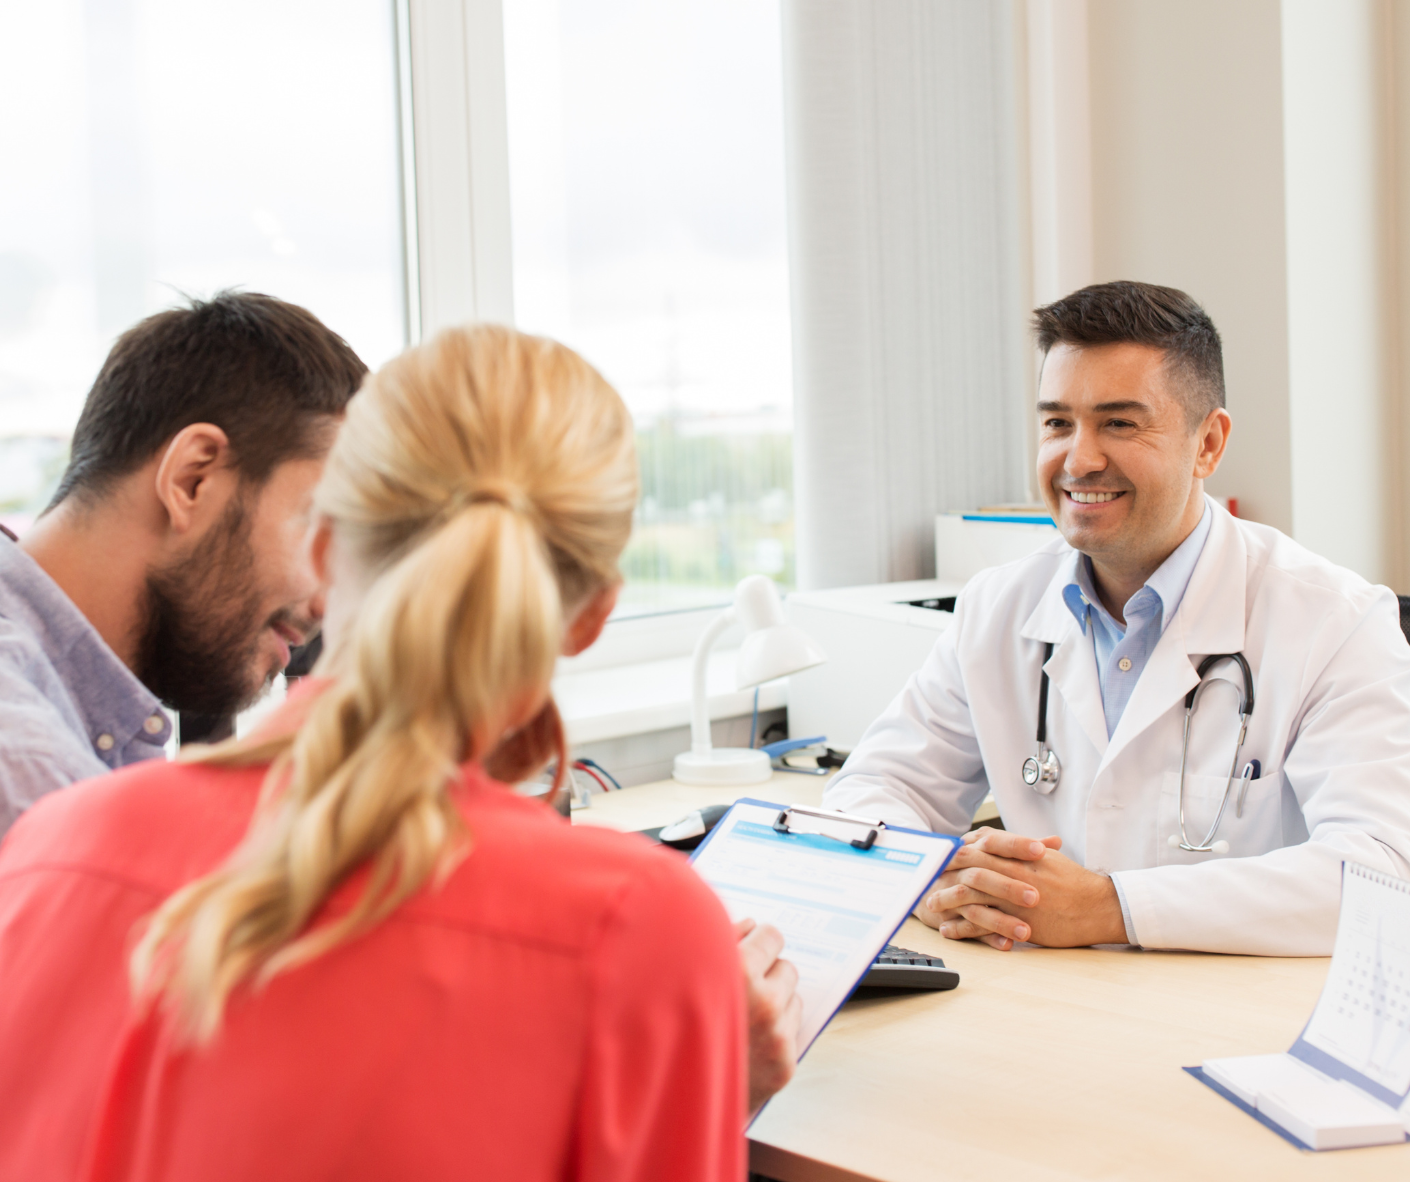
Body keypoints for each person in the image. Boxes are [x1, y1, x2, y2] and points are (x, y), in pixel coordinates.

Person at [0, 325, 760, 1180]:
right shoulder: (636, 932)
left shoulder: (54, 845)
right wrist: (712, 1075)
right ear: (592, 617)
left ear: (330, 550)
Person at [823, 280, 1410, 957]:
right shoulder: (997, 608)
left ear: (1208, 444)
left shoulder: (1336, 621)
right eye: (1056, 423)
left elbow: (1384, 872)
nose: (1078, 459)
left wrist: (1111, 908)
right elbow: (873, 788)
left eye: (1119, 423)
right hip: (1050, 1005)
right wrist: (928, 878)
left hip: (1237, 1024)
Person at [0, 291, 368, 831]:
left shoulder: (88, 728)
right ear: (192, 479)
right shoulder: (31, 774)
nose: (325, 602)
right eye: (318, 526)